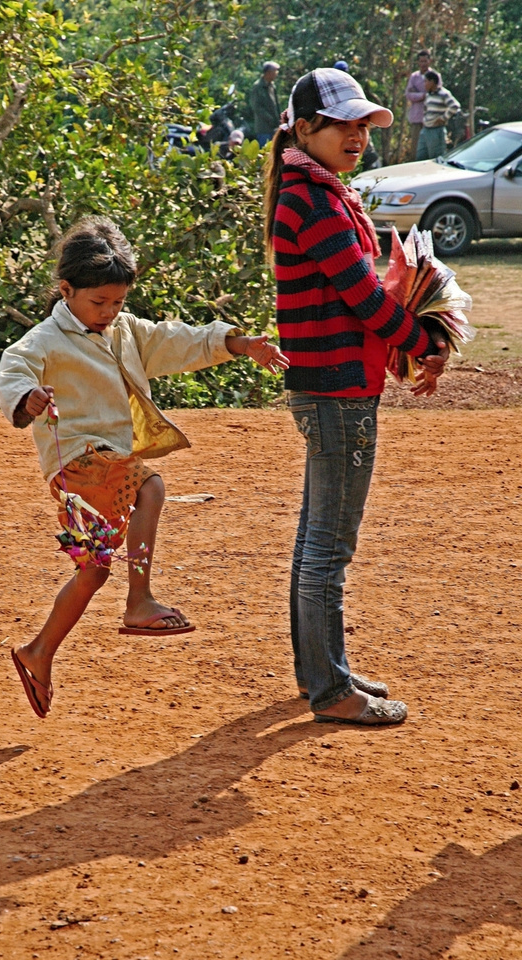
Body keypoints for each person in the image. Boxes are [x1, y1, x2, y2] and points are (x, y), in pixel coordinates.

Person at [0, 216, 288, 719]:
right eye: (98, 302)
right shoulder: (45, 340)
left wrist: (240, 343)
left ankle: (37, 653)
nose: (109, 312)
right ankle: (141, 601)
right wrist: (28, 397)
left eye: (118, 302)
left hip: (104, 463)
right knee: (150, 486)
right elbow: (13, 367)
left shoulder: (124, 331)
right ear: (65, 290)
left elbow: (179, 340)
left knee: (93, 570)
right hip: (78, 463)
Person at [263, 67, 450, 725]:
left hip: (331, 387)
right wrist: (421, 339)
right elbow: (363, 296)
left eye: (362, 126)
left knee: (317, 538)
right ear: (305, 128)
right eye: (343, 125)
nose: (356, 136)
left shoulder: (313, 192)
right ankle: (330, 689)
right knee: (328, 547)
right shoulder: (311, 201)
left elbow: (357, 292)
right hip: (337, 391)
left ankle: (321, 671)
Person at [416, 69, 461, 160]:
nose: (424, 84)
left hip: (436, 130)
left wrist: (443, 118)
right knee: (421, 156)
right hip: (426, 130)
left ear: (432, 82)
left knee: (435, 158)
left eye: (426, 81)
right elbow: (426, 110)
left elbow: (455, 106)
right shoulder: (429, 95)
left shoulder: (443, 94)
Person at [405, 48, 433, 159]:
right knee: (416, 147)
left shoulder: (434, 76)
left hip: (431, 118)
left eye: (425, 61)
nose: (423, 64)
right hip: (417, 117)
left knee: (429, 147)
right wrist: (422, 95)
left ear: (429, 61)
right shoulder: (414, 77)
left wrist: (417, 93)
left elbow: (434, 93)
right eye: (421, 61)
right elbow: (408, 94)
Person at [249, 61, 281, 147]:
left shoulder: (272, 86)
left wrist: (279, 120)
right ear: (268, 72)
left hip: (274, 126)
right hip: (263, 128)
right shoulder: (258, 86)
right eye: (275, 71)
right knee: (264, 150)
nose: (276, 74)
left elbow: (276, 105)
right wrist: (270, 119)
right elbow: (257, 107)